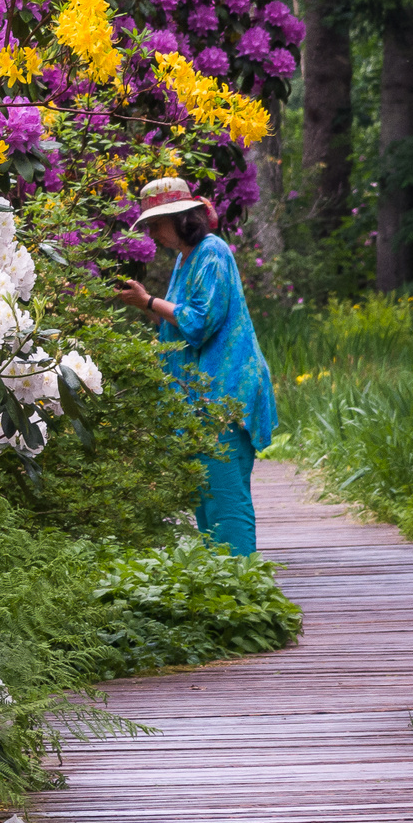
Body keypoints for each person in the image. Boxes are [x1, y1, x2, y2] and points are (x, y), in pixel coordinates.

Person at [114, 177, 277, 557]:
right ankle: (219, 590)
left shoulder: (212, 252)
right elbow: (179, 325)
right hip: (199, 398)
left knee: (224, 497)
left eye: (156, 222)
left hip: (225, 394)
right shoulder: (186, 260)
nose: (151, 231)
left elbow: (201, 322)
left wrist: (149, 301)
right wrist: (148, 305)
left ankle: (241, 591)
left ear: (182, 218)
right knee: (204, 497)